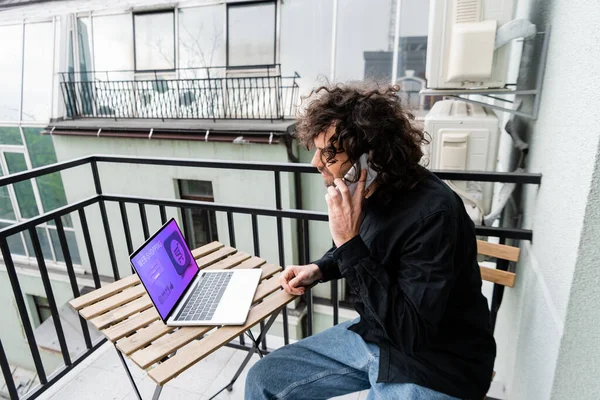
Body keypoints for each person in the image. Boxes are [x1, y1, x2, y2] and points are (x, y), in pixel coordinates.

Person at [245, 84, 496, 399]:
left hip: (434, 363)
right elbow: (364, 248)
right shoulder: (371, 191)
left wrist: (348, 240)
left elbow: (411, 332)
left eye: (329, 154)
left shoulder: (434, 216)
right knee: (263, 379)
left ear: (369, 160)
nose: (315, 164)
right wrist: (320, 268)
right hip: (375, 335)